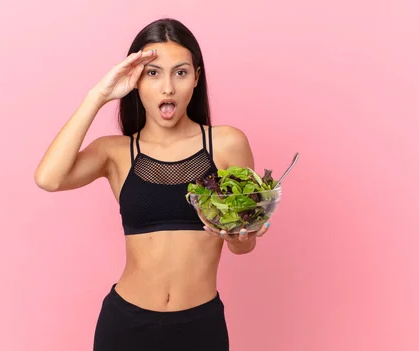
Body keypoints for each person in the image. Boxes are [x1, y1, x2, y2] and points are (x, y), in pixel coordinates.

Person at [34, 18, 270, 351]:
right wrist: (99, 94)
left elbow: (243, 245)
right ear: (135, 80)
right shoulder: (115, 152)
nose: (168, 88)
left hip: (200, 328)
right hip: (126, 326)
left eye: (181, 72)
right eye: (153, 73)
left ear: (196, 78)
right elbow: (48, 178)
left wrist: (238, 237)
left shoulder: (227, 144)